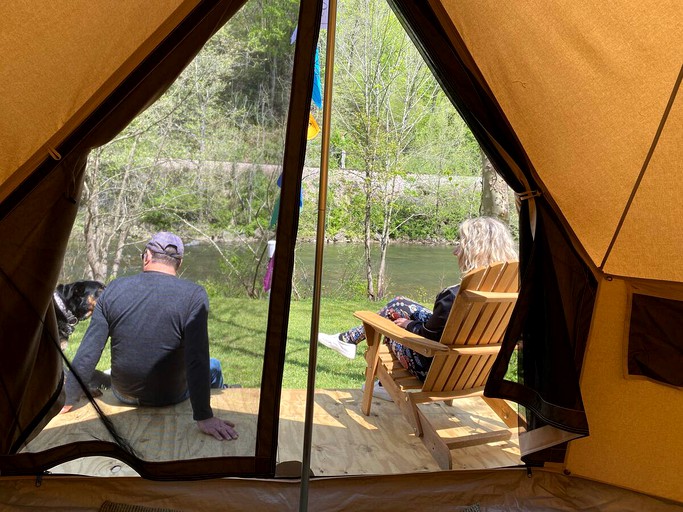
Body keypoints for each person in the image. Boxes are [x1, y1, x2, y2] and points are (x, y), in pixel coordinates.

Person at [62, 232, 238, 441]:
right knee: (214, 366)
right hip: (170, 396)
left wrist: (68, 397)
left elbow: (88, 351)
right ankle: (223, 392)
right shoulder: (194, 295)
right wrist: (204, 416)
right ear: (179, 263)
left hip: (123, 393)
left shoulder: (113, 289)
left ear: (146, 256)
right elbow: (197, 359)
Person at [318, 217, 518, 396]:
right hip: (480, 370)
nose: (455, 251)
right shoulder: (513, 293)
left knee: (389, 325)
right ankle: (348, 340)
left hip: (434, 368)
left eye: (461, 246)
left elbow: (429, 337)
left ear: (475, 251)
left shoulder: (456, 296)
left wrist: (407, 326)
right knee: (398, 304)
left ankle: (381, 382)